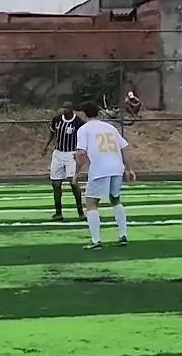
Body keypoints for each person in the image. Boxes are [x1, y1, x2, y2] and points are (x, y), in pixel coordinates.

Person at [74, 101, 135, 249]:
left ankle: (96, 240)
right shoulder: (110, 127)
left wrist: (76, 173)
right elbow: (123, 148)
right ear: (98, 113)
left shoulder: (83, 129)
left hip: (100, 168)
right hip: (117, 167)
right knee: (115, 199)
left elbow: (81, 153)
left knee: (91, 202)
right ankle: (123, 235)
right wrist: (129, 169)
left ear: (83, 114)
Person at [42, 102, 83, 220]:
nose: (64, 110)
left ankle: (80, 212)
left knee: (73, 183)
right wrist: (46, 146)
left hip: (71, 153)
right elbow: (52, 133)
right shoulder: (57, 119)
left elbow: (82, 137)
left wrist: (81, 151)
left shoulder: (78, 122)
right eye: (63, 108)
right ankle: (58, 212)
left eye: (67, 108)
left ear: (72, 109)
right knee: (56, 183)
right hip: (58, 153)